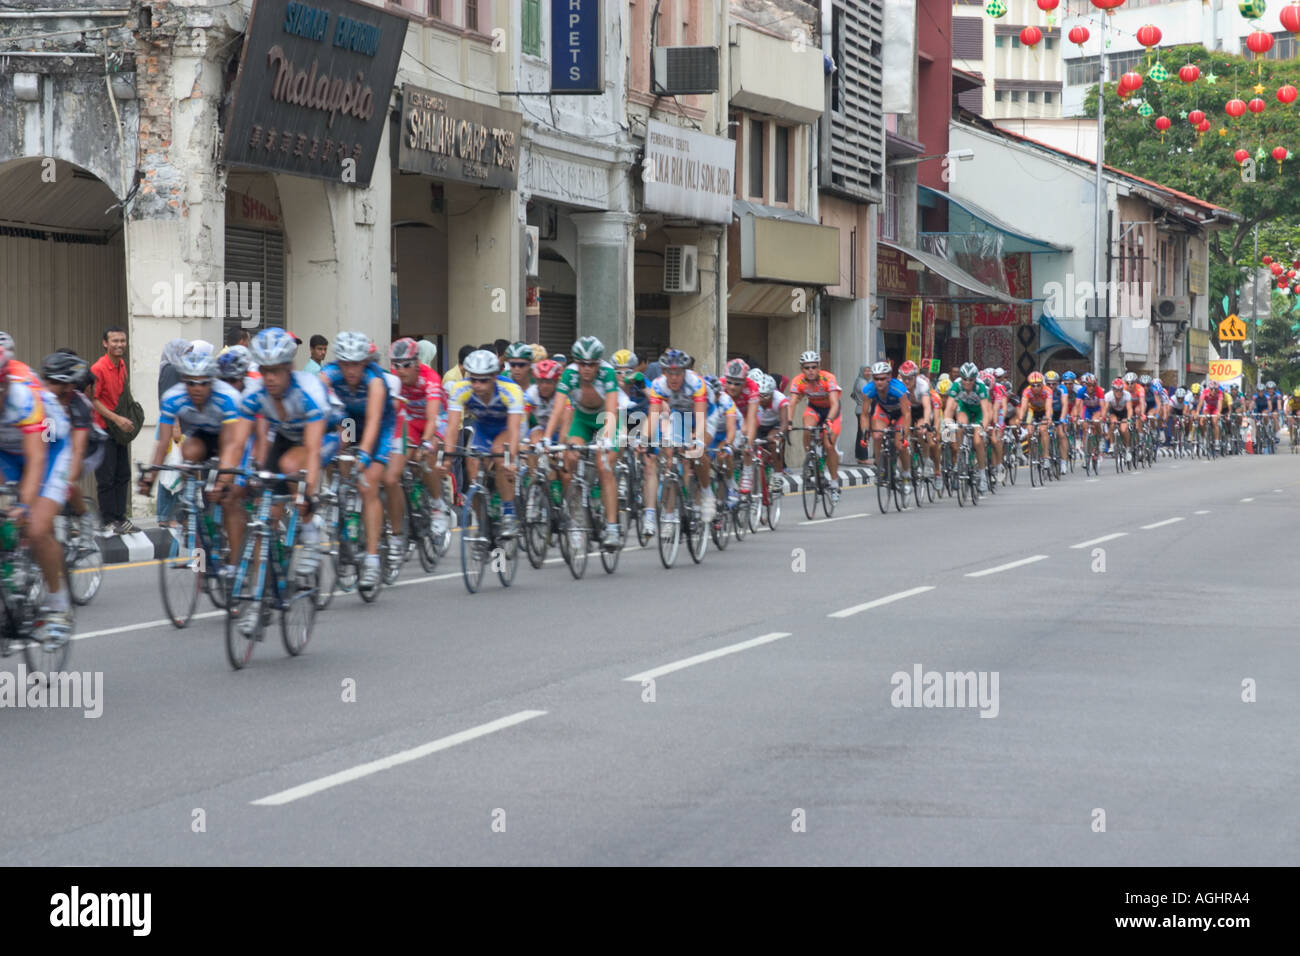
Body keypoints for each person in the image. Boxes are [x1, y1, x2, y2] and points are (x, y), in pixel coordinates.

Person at [1, 345, 74, 646]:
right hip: (6, 451)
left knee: (36, 525)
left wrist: (21, 505)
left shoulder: (24, 397)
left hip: (48, 446)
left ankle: (58, 605)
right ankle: (11, 584)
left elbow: (37, 459)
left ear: (4, 385)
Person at [90, 325, 137, 534]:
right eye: (115, 341)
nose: (119, 345)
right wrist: (117, 419)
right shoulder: (98, 368)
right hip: (102, 430)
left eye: (122, 341)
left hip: (118, 431)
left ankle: (120, 517)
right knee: (106, 478)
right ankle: (107, 519)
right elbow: (93, 400)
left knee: (123, 474)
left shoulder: (122, 365)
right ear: (105, 343)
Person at [155, 338, 189, 527]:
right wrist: (175, 427)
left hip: (174, 425)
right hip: (171, 426)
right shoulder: (171, 370)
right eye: (186, 352)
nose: (188, 357)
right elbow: (168, 400)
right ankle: (164, 516)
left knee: (175, 468)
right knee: (169, 467)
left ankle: (173, 515)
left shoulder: (174, 368)